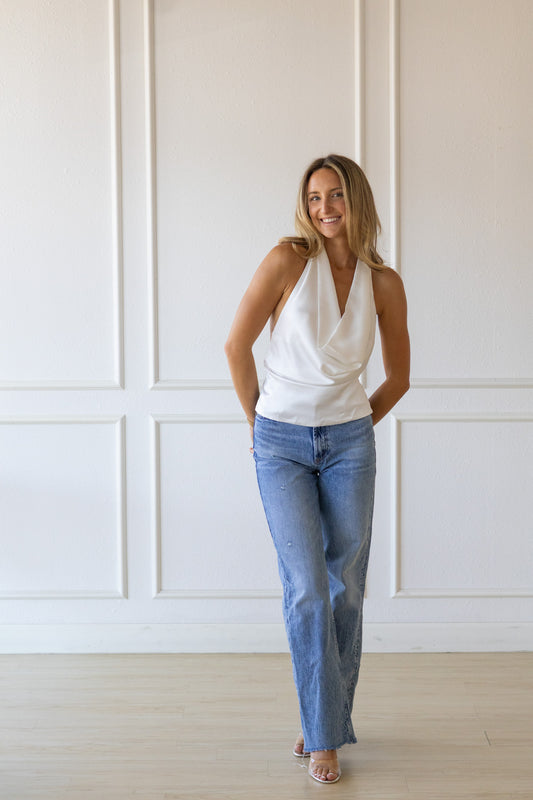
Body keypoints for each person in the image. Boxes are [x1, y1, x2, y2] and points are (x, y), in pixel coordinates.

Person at [224, 154, 410, 784]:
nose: (325, 208)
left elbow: (399, 378)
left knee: (345, 589)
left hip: (350, 445)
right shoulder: (287, 260)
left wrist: (353, 427)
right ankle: (325, 733)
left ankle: (320, 718)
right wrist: (259, 425)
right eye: (314, 197)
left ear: (357, 200)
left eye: (336, 195)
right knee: (305, 586)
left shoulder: (383, 282)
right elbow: (236, 344)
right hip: (279, 444)